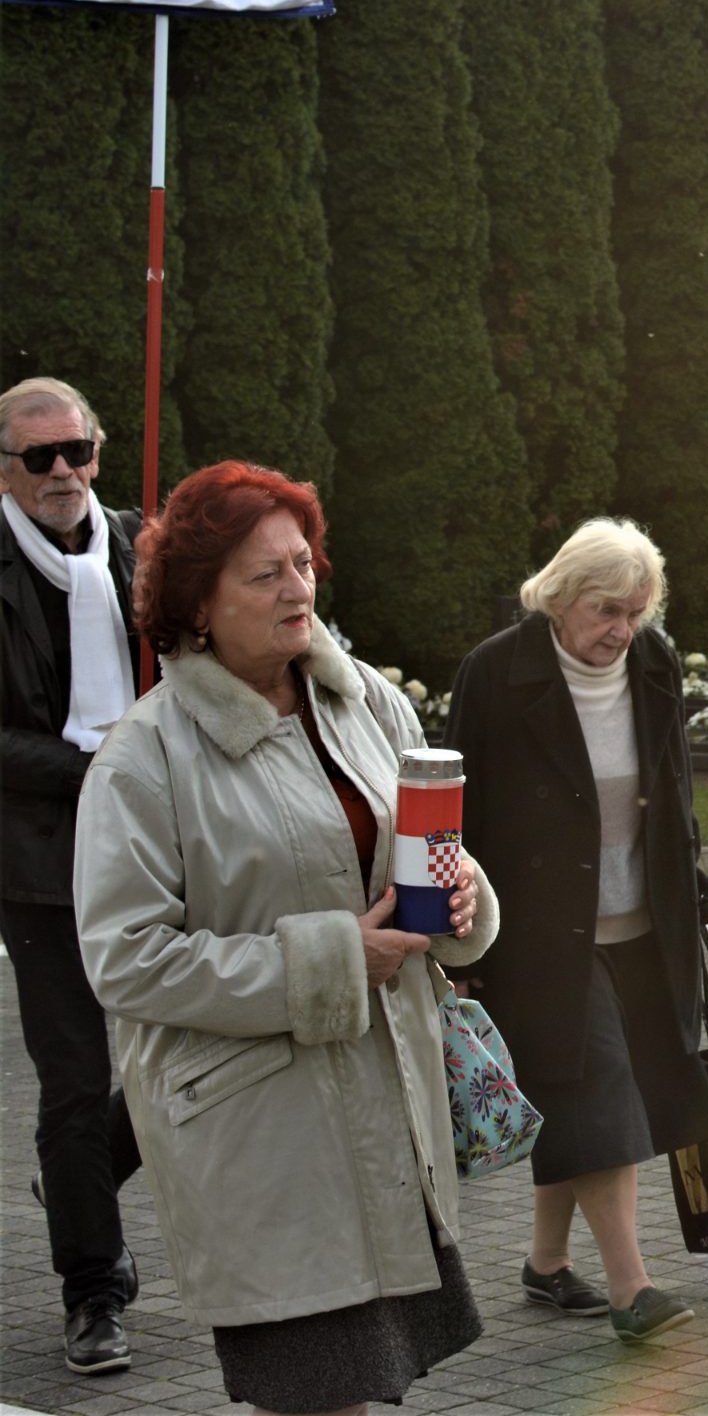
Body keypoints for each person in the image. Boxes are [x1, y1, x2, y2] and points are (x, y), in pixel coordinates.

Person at [74, 460, 496, 1415]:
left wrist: (463, 894)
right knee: (318, 1397)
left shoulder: (367, 702)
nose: (297, 588)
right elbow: (125, 960)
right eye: (265, 574)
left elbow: (419, 847)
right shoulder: (143, 757)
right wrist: (334, 960)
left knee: (356, 1393)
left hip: (385, 1116)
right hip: (264, 1143)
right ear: (198, 604)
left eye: (303, 563)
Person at [446, 519, 708, 1346]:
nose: (622, 631)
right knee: (601, 1095)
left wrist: (694, 887)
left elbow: (675, 784)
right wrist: (457, 945)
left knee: (574, 1095)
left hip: (647, 922)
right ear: (561, 597)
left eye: (635, 613)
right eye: (607, 611)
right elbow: (457, 812)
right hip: (542, 933)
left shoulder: (655, 662)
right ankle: (634, 1289)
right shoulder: (497, 671)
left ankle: (547, 1262)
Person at [0, 377, 145, 1374]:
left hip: (153, 843)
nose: (63, 472)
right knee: (76, 1077)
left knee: (194, 1044)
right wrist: (91, 766)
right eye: (39, 457)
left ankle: (78, 1178)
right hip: (39, 861)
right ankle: (93, 1289)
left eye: (77, 451)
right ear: (5, 470)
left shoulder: (141, 547)